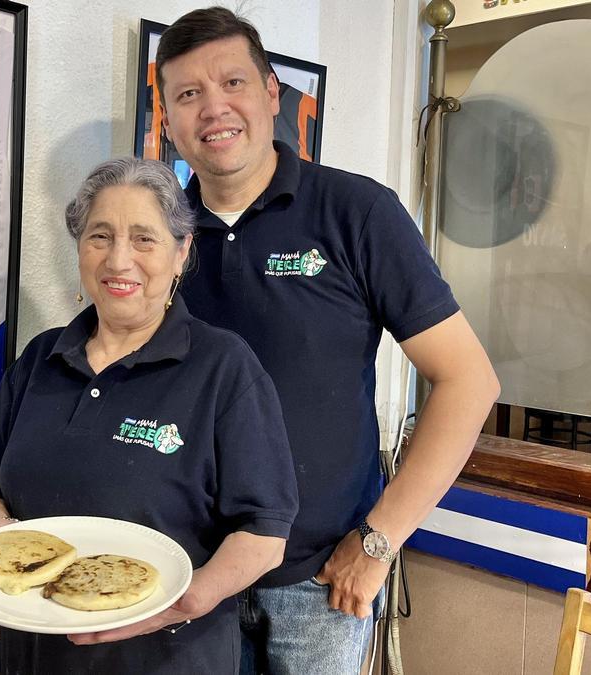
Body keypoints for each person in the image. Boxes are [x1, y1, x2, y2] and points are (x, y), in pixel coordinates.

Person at [154, 8, 501, 674]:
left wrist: (378, 543)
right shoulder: (161, 235)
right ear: (168, 116)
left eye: (233, 82)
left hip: (321, 585)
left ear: (271, 94)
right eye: (188, 94)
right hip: (195, 574)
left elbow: (469, 380)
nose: (213, 108)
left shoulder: (355, 212)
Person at [0, 157, 299, 674]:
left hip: (172, 657)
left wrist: (183, 604)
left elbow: (264, 534)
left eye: (144, 239)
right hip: (35, 657)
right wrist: (2, 543)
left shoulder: (224, 368)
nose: (119, 260)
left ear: (181, 252)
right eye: (100, 236)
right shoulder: (39, 360)